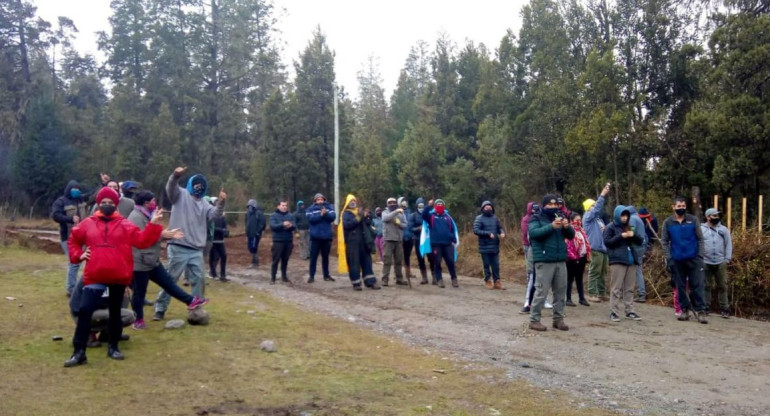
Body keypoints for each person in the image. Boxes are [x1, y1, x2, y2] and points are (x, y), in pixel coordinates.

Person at [63, 187, 163, 367]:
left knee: (115, 312)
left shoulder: (125, 224)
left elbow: (141, 241)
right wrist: (79, 254)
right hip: (95, 275)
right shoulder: (87, 223)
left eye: (110, 202)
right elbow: (73, 240)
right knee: (85, 310)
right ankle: (79, 352)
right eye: (103, 202)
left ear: (116, 204)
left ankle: (113, 347)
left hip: (118, 275)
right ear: (98, 204)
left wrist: (153, 224)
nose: (107, 205)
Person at [127, 191, 208, 329]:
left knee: (168, 283)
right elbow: (141, 239)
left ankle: (190, 301)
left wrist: (165, 234)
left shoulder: (148, 215)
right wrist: (162, 235)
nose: (155, 203)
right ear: (146, 203)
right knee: (140, 292)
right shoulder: (135, 217)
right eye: (153, 201)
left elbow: (153, 233)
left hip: (152, 260)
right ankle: (138, 320)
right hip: (140, 262)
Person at [153, 167, 225, 321]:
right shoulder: (180, 194)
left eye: (201, 187)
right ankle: (160, 308)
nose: (198, 189)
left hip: (196, 249)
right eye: (196, 186)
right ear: (191, 185)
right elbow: (170, 188)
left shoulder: (205, 204)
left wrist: (221, 202)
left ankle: (196, 309)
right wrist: (175, 175)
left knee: (199, 279)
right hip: (178, 245)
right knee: (171, 279)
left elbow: (215, 215)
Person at [527, 194, 575, 331]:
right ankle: (534, 319)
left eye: (555, 205)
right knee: (541, 290)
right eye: (550, 205)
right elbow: (534, 233)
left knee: (560, 291)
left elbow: (571, 236)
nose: (553, 207)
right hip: (544, 259)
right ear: (544, 205)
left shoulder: (560, 216)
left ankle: (558, 319)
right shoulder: (536, 217)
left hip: (560, 259)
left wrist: (567, 227)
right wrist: (551, 227)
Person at [660, 196, 708, 323]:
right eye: (679, 206)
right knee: (680, 287)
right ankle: (684, 310)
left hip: (694, 259)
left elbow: (700, 239)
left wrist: (700, 256)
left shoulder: (693, 220)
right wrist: (669, 258)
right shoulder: (668, 222)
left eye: (683, 206)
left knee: (698, 285)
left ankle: (701, 311)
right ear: (673, 207)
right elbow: (664, 241)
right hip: (677, 260)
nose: (681, 208)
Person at [604, 205, 645, 322]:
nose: (624, 217)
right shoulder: (610, 227)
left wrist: (634, 235)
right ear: (617, 215)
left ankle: (630, 310)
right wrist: (620, 236)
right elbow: (607, 242)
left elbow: (640, 241)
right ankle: (614, 311)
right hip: (617, 260)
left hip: (631, 259)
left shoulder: (628, 227)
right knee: (616, 288)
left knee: (629, 288)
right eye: (622, 215)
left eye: (626, 215)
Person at [52, 180, 88, 297]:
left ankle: (77, 286)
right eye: (74, 189)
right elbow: (56, 215)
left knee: (80, 263)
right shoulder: (61, 201)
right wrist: (70, 219)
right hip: (67, 237)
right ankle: (71, 289)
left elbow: (93, 196)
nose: (77, 191)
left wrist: (103, 184)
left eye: (78, 189)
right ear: (69, 189)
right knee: (74, 263)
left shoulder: (81, 199)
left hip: (82, 237)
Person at [338, 194, 381, 291]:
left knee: (367, 261)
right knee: (354, 262)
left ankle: (371, 282)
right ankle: (356, 283)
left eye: (354, 201)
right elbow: (348, 225)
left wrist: (367, 217)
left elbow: (368, 224)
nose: (353, 203)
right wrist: (358, 217)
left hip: (363, 240)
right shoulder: (346, 214)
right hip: (352, 241)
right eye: (351, 201)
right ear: (347, 203)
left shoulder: (359, 211)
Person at [701, 208, 732, 318]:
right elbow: (698, 243)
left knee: (723, 285)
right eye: (714, 216)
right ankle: (706, 307)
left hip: (720, 261)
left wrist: (727, 259)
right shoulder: (701, 229)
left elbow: (728, 244)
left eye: (717, 216)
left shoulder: (723, 229)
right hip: (705, 261)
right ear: (708, 217)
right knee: (706, 285)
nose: (717, 218)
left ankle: (725, 308)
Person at [583, 183, 611, 303]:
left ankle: (601, 293)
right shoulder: (588, 217)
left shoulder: (598, 219)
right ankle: (592, 293)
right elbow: (598, 208)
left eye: (595, 205)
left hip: (603, 248)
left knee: (602, 272)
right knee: (594, 271)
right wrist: (602, 195)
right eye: (592, 205)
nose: (595, 207)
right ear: (588, 207)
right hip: (595, 247)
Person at [421, 199, 459, 288]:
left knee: (450, 261)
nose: (440, 205)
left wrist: (453, 238)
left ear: (444, 206)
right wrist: (428, 205)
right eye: (438, 204)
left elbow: (452, 229)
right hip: (436, 244)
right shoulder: (431, 216)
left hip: (448, 244)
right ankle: (439, 280)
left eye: (441, 204)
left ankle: (454, 279)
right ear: (435, 206)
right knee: (437, 262)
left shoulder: (448, 217)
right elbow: (423, 215)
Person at [473, 200, 506, 290]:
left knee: (496, 265)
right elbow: (476, 230)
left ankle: (497, 282)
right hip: (484, 246)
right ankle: (487, 281)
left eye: (490, 207)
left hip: (495, 245)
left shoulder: (495, 218)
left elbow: (499, 228)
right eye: (486, 207)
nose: (488, 208)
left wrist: (502, 233)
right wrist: (487, 233)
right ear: (483, 208)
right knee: (486, 264)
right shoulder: (479, 218)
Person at [306, 193, 336, 283]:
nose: (320, 201)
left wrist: (325, 214)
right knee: (313, 257)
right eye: (318, 199)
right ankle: (311, 276)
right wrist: (320, 215)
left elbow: (333, 217)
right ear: (315, 200)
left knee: (325, 258)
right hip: (315, 237)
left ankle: (326, 275)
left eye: (321, 199)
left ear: (324, 200)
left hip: (326, 237)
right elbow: (311, 219)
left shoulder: (329, 207)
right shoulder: (310, 209)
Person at [381, 197, 408, 286]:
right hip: (388, 239)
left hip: (398, 240)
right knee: (387, 260)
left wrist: (399, 223)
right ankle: (385, 279)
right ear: (387, 204)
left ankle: (399, 279)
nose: (392, 204)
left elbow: (405, 225)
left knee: (399, 261)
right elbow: (385, 218)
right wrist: (396, 212)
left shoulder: (401, 213)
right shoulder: (385, 212)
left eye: (394, 202)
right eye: (390, 203)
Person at [565, 212, 591, 307]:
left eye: (580, 220)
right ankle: (568, 298)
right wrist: (573, 257)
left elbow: (586, 243)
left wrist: (586, 255)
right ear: (572, 221)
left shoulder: (581, 231)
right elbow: (568, 245)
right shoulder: (569, 230)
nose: (579, 222)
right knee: (570, 279)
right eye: (577, 220)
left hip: (582, 257)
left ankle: (582, 298)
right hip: (571, 259)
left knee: (579, 278)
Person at [269, 199, 296, 285]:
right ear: (278, 206)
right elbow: (273, 226)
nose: (284, 207)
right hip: (278, 241)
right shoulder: (273, 215)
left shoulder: (290, 215)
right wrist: (283, 224)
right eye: (282, 205)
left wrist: (291, 226)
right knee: (275, 260)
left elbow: (295, 226)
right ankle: (273, 278)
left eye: (285, 205)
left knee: (285, 260)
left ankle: (284, 276)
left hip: (288, 241)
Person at [627, 206, 649, 303]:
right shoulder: (638, 218)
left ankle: (640, 294)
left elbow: (631, 232)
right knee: (638, 270)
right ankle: (641, 294)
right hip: (641, 247)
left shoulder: (632, 219)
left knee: (635, 271)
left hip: (636, 248)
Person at [409, 198, 433, 284]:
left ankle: (434, 277)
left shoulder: (429, 214)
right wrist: (418, 228)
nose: (421, 208)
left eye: (423, 206)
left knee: (431, 258)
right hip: (418, 240)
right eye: (420, 206)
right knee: (420, 259)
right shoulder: (413, 216)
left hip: (428, 240)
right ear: (417, 206)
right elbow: (410, 228)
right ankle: (424, 277)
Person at [520, 202, 539, 313]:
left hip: (538, 248)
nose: (534, 210)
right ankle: (528, 302)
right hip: (529, 246)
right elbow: (527, 233)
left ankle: (541, 300)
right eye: (533, 208)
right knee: (531, 273)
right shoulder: (526, 219)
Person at [398, 197, 416, 280]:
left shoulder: (410, 213)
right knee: (399, 256)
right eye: (402, 202)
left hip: (410, 237)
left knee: (407, 256)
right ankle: (398, 273)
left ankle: (408, 272)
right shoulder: (397, 213)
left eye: (405, 201)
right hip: (400, 238)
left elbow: (412, 225)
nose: (404, 203)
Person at [245, 199, 266, 267]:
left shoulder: (259, 213)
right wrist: (247, 231)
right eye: (249, 206)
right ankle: (255, 260)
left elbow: (262, 223)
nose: (250, 208)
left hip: (256, 234)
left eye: (251, 206)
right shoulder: (247, 213)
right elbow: (246, 222)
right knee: (250, 247)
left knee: (254, 247)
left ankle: (254, 262)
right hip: (249, 233)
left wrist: (258, 231)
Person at [209, 212, 229, 281]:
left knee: (223, 256)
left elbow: (226, 229)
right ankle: (213, 273)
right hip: (212, 241)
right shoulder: (211, 217)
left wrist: (226, 232)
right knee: (212, 257)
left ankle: (222, 275)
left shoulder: (223, 218)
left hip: (220, 241)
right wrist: (221, 230)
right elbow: (211, 228)